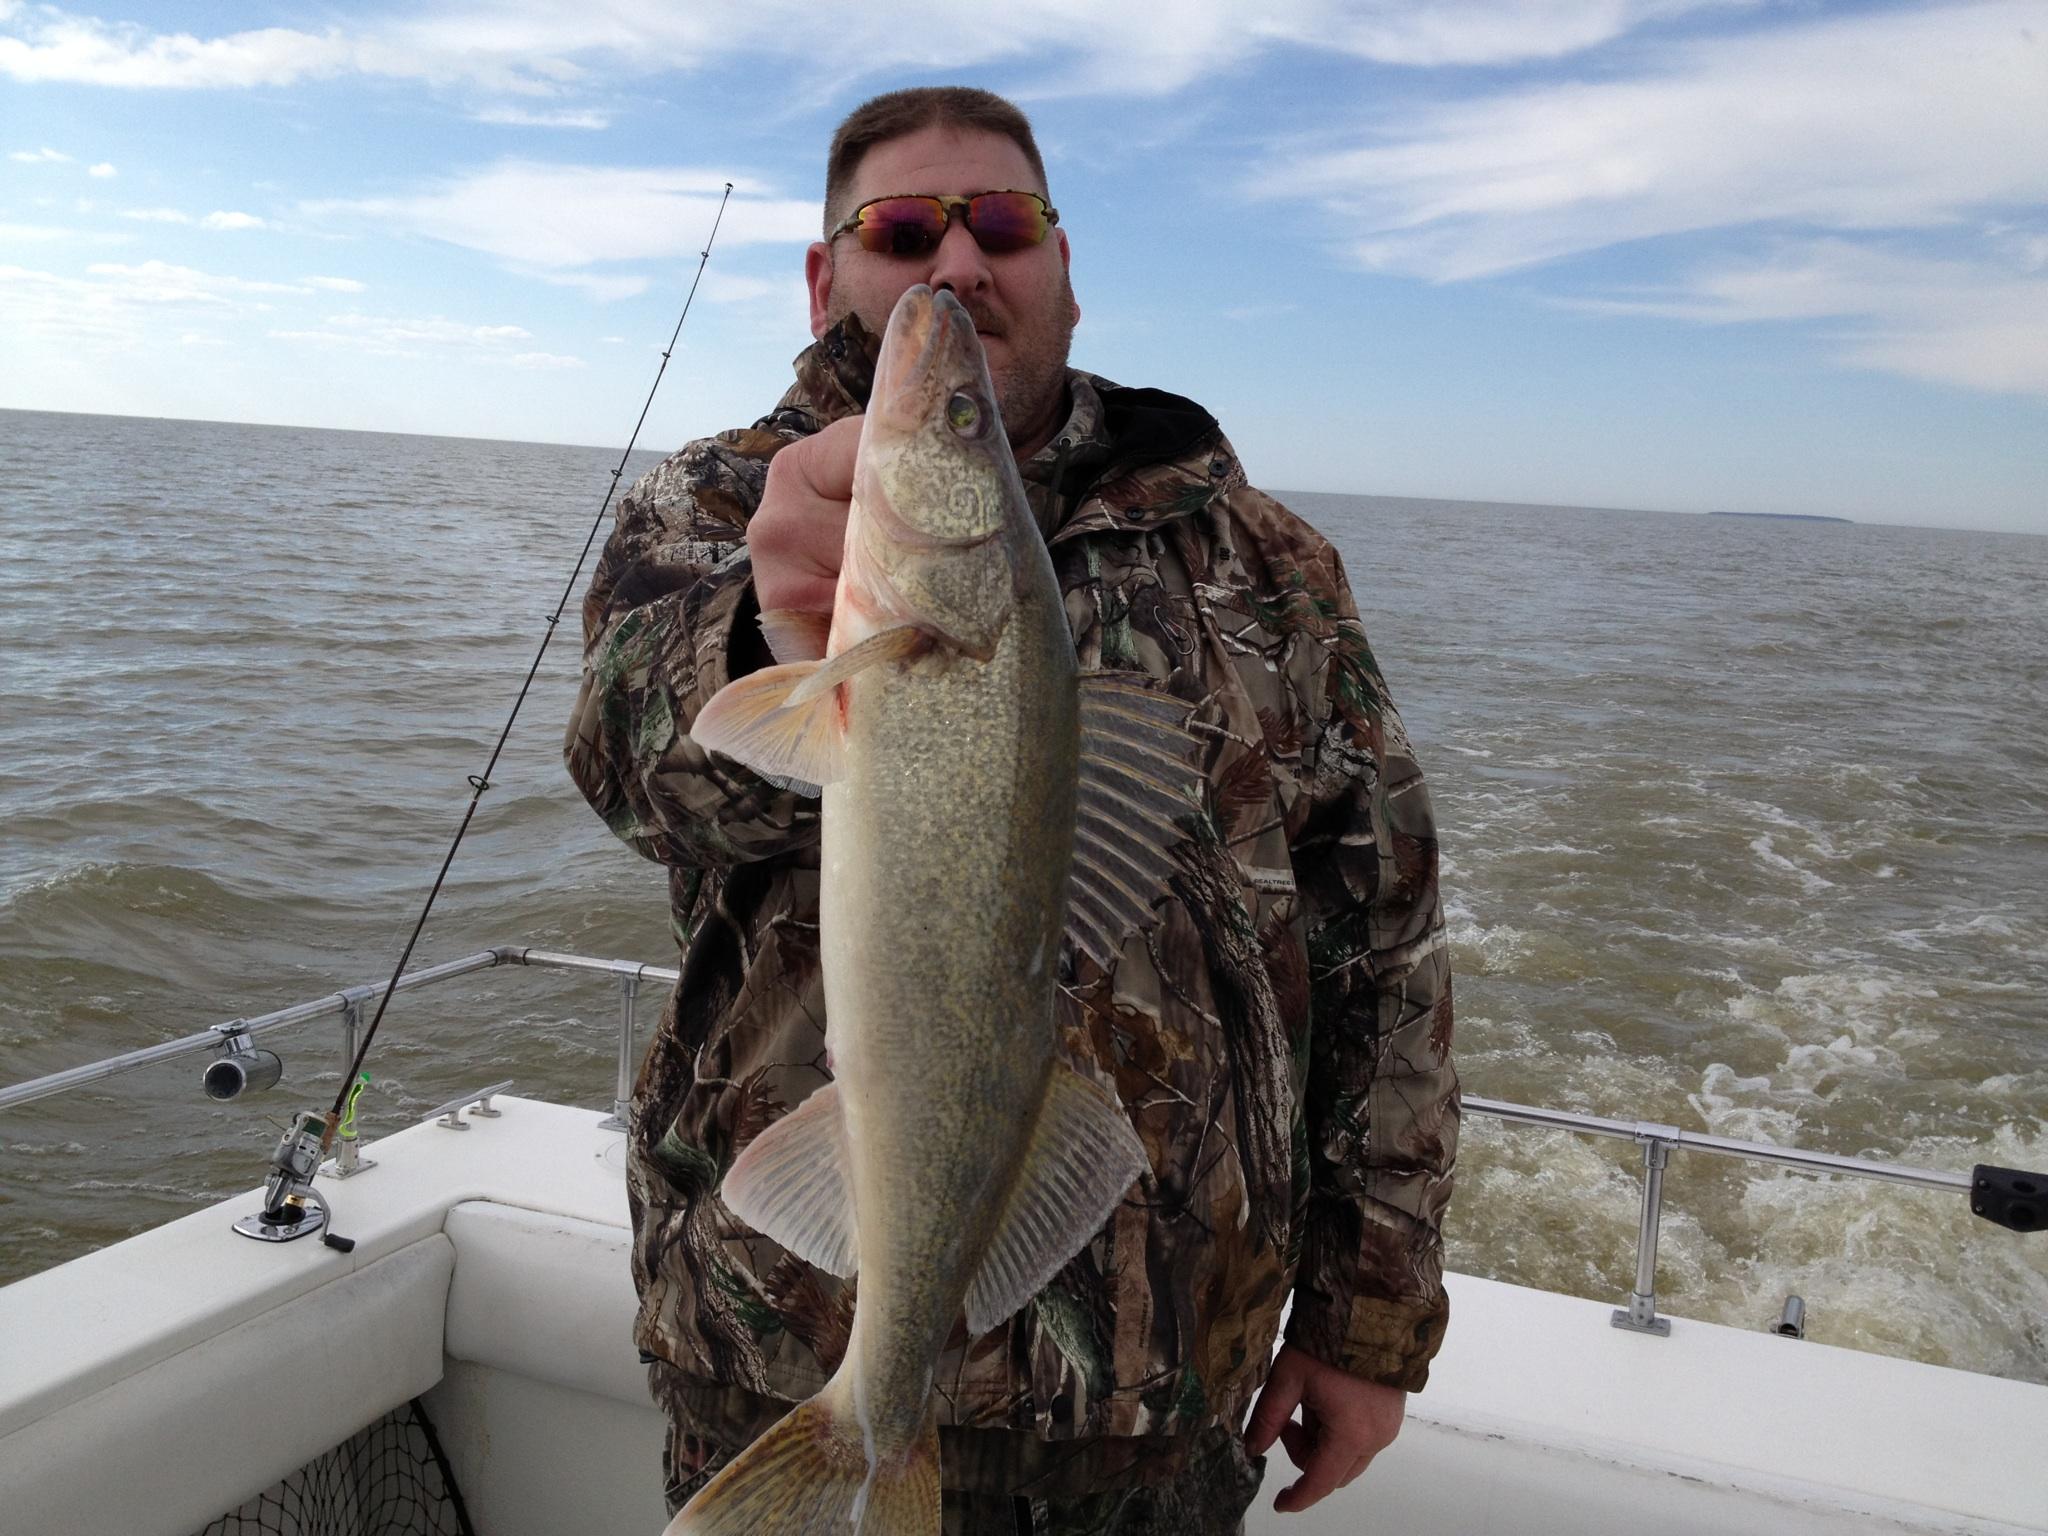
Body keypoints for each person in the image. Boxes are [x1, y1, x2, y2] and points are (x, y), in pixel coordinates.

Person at [565, 85, 1457, 1534]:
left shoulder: (1263, 556)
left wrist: (1369, 1314)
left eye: (1005, 225)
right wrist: (761, 636)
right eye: (905, 227)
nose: (958, 266)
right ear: (824, 275)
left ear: (1065, 267)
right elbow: (621, 764)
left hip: (1163, 1399)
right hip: (778, 1353)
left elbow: (1385, 937)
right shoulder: (718, 509)